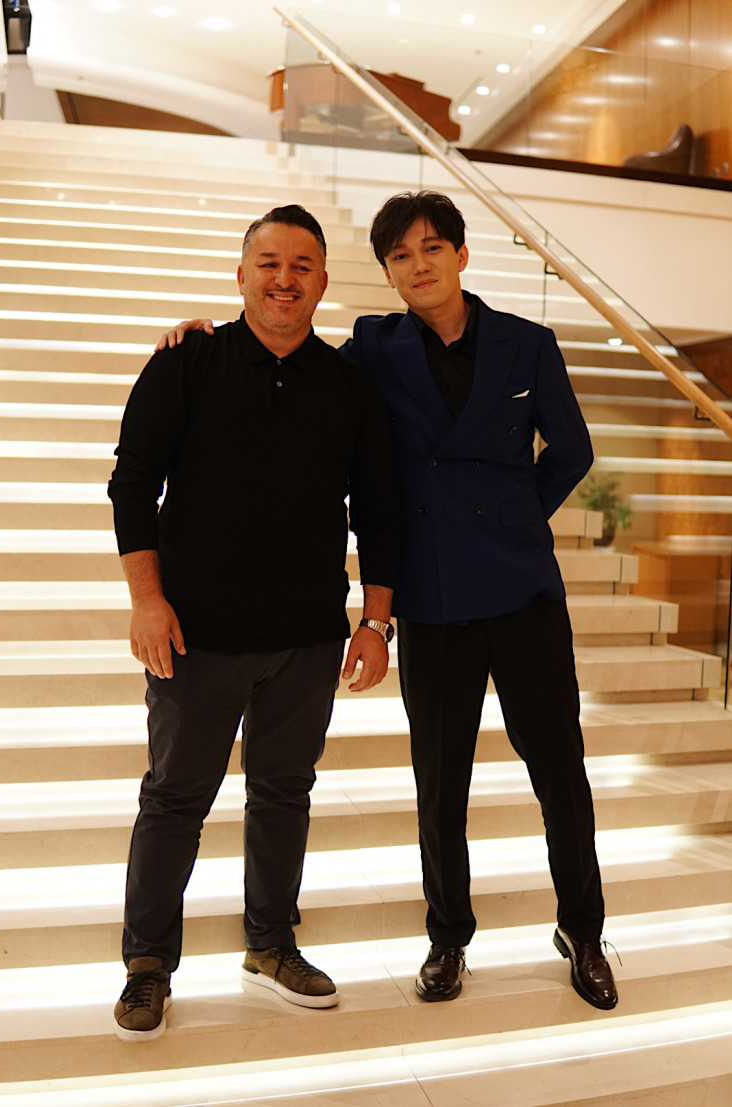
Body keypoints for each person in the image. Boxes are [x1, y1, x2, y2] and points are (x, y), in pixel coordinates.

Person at [157, 190, 618, 1012]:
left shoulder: (527, 343)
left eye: (432, 248)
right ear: (385, 272)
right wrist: (208, 338)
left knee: (560, 769)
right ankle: (449, 935)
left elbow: (572, 450)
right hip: (432, 596)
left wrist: (516, 519)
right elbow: (290, 353)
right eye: (400, 255)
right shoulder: (374, 346)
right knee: (439, 781)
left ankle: (583, 929)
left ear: (462, 255)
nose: (418, 265)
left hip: (523, 592)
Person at [107, 204, 400, 1043]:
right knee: (175, 797)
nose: (284, 279)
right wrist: (146, 600)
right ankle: (148, 962)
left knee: (284, 792)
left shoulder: (348, 384)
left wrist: (375, 621)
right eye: (268, 262)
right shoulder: (187, 360)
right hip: (195, 635)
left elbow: (380, 512)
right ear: (242, 276)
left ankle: (270, 943)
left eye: (302, 265)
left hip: (307, 638)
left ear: (322, 282)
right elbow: (133, 483)